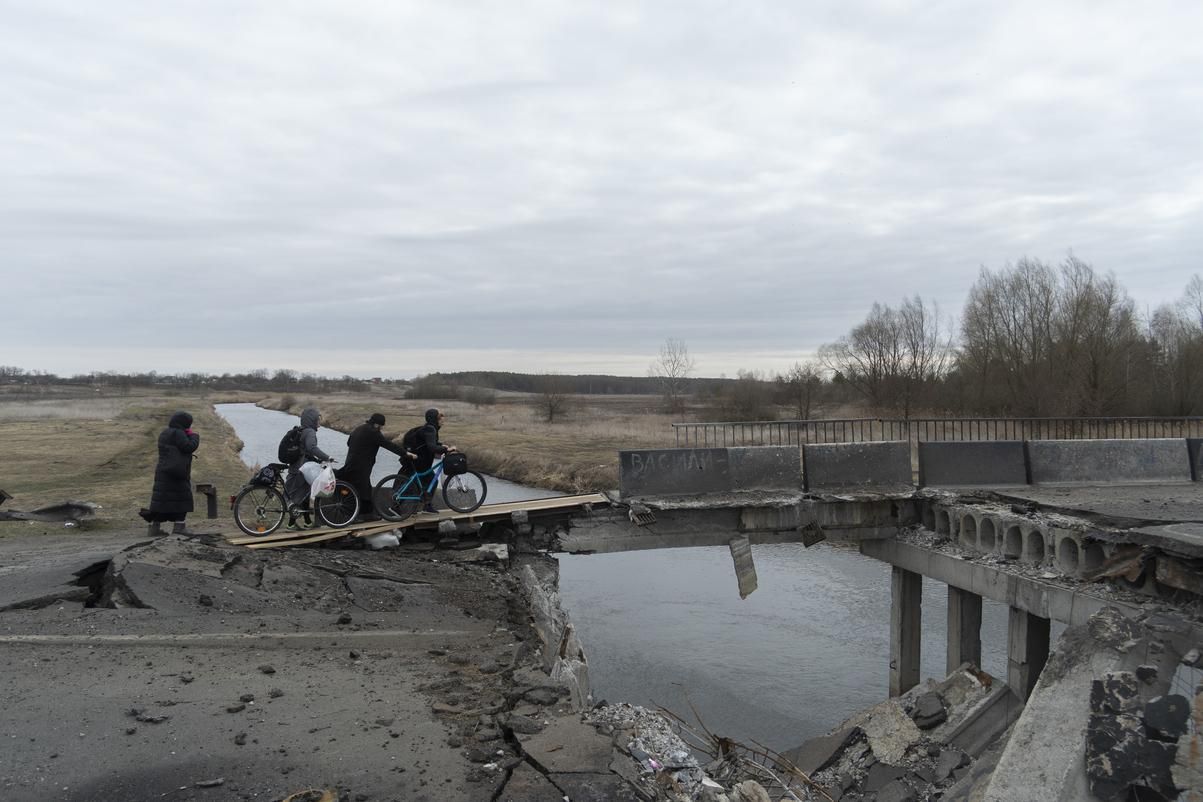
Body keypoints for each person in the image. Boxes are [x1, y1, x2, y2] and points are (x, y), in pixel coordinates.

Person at [337, 413, 408, 519]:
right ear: (377, 424)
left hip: (351, 463)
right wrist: (405, 453)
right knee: (360, 491)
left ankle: (365, 514)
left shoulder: (359, 429)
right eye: (381, 426)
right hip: (361, 467)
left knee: (364, 489)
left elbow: (349, 442)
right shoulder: (373, 432)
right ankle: (356, 516)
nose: (381, 429)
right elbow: (388, 445)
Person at [143, 411, 201, 535]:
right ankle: (179, 527)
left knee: (162, 501)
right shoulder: (178, 433)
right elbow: (188, 447)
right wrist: (194, 436)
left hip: (163, 471)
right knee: (182, 499)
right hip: (177, 473)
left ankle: (154, 528)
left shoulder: (165, 432)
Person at [284, 407, 333, 522]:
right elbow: (312, 448)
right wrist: (327, 457)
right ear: (312, 420)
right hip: (303, 469)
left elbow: (304, 450)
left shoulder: (301, 430)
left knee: (300, 495)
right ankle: (292, 524)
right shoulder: (310, 432)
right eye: (317, 421)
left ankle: (306, 522)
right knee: (299, 495)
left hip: (295, 466)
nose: (319, 424)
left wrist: (316, 460)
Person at [402, 408, 455, 513]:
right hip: (420, 461)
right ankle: (421, 506)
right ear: (435, 419)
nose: (442, 421)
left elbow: (428, 443)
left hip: (419, 459)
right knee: (428, 481)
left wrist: (440, 445)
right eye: (440, 419)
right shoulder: (431, 429)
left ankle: (426, 505)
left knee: (430, 481)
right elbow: (431, 447)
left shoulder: (429, 428)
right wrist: (446, 449)